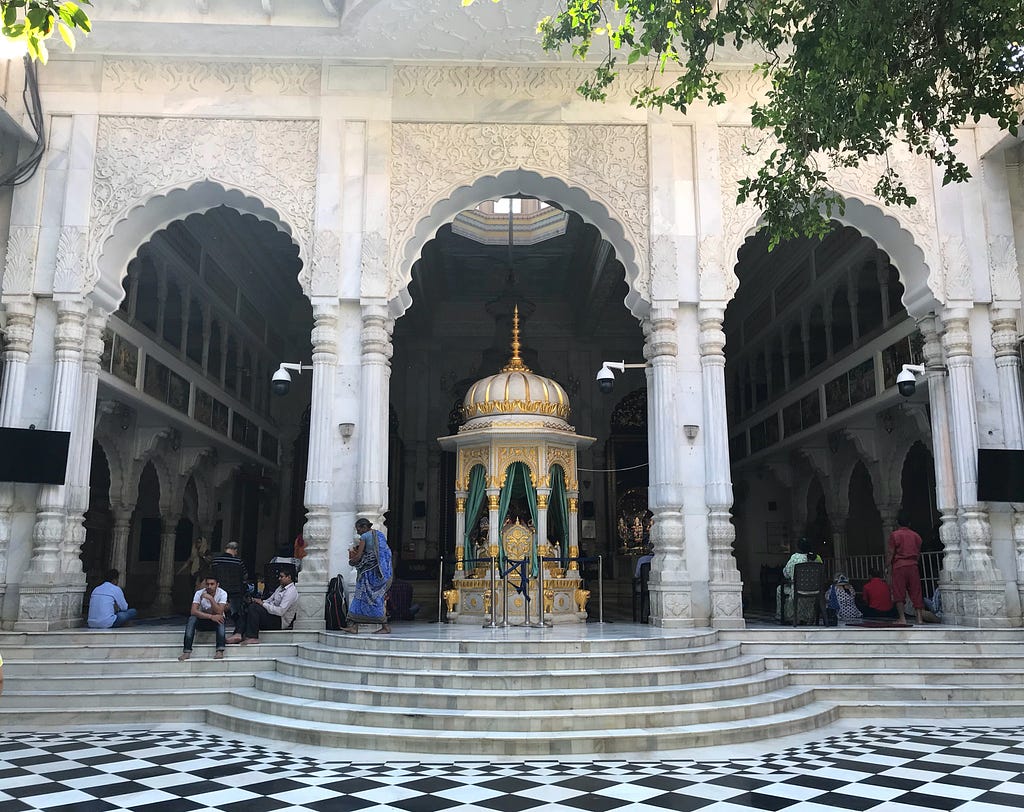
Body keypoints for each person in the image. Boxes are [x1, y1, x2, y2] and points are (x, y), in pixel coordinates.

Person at [341, 518, 393, 634]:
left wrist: (352, 560)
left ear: (364, 527)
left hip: (368, 575)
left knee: (359, 598)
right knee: (376, 599)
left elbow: (359, 556)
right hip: (378, 574)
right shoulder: (379, 535)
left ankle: (355, 625)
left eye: (358, 529)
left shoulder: (365, 537)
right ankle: (357, 626)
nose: (358, 532)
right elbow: (379, 553)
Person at [227, 569, 299, 644]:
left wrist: (262, 604)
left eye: (281, 577)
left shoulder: (291, 592)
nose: (279, 579)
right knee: (249, 606)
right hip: (272, 615)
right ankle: (238, 633)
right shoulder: (280, 588)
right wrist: (256, 600)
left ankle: (252, 637)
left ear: (289, 577)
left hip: (280, 621)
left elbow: (280, 611)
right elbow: (269, 600)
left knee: (254, 608)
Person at [179, 575, 228, 661]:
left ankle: (220, 650)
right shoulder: (199, 593)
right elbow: (193, 611)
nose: (209, 586)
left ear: (217, 585)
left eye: (212, 584)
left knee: (221, 618)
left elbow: (220, 611)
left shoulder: (222, 593)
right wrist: (211, 616)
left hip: (216, 621)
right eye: (207, 584)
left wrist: (211, 599)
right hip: (203, 621)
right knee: (192, 619)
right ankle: (187, 651)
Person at [888, 511, 924, 625]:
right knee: (916, 591)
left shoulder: (895, 535)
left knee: (899, 591)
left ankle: (902, 618)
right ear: (909, 523)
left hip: (899, 566)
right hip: (913, 565)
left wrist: (887, 565)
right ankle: (919, 618)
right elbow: (918, 552)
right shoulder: (916, 536)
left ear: (898, 523)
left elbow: (890, 552)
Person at [776, 538, 822, 623]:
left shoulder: (795, 558)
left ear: (798, 547)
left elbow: (786, 573)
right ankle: (807, 617)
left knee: (779, 589)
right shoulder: (817, 558)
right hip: (815, 591)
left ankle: (784, 616)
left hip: (797, 590)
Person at [211, 541, 248, 635]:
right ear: (235, 550)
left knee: (217, 612)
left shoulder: (216, 560)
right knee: (236, 613)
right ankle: (238, 633)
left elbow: (212, 575)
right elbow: (244, 575)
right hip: (235, 591)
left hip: (219, 590)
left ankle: (217, 630)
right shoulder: (238, 561)